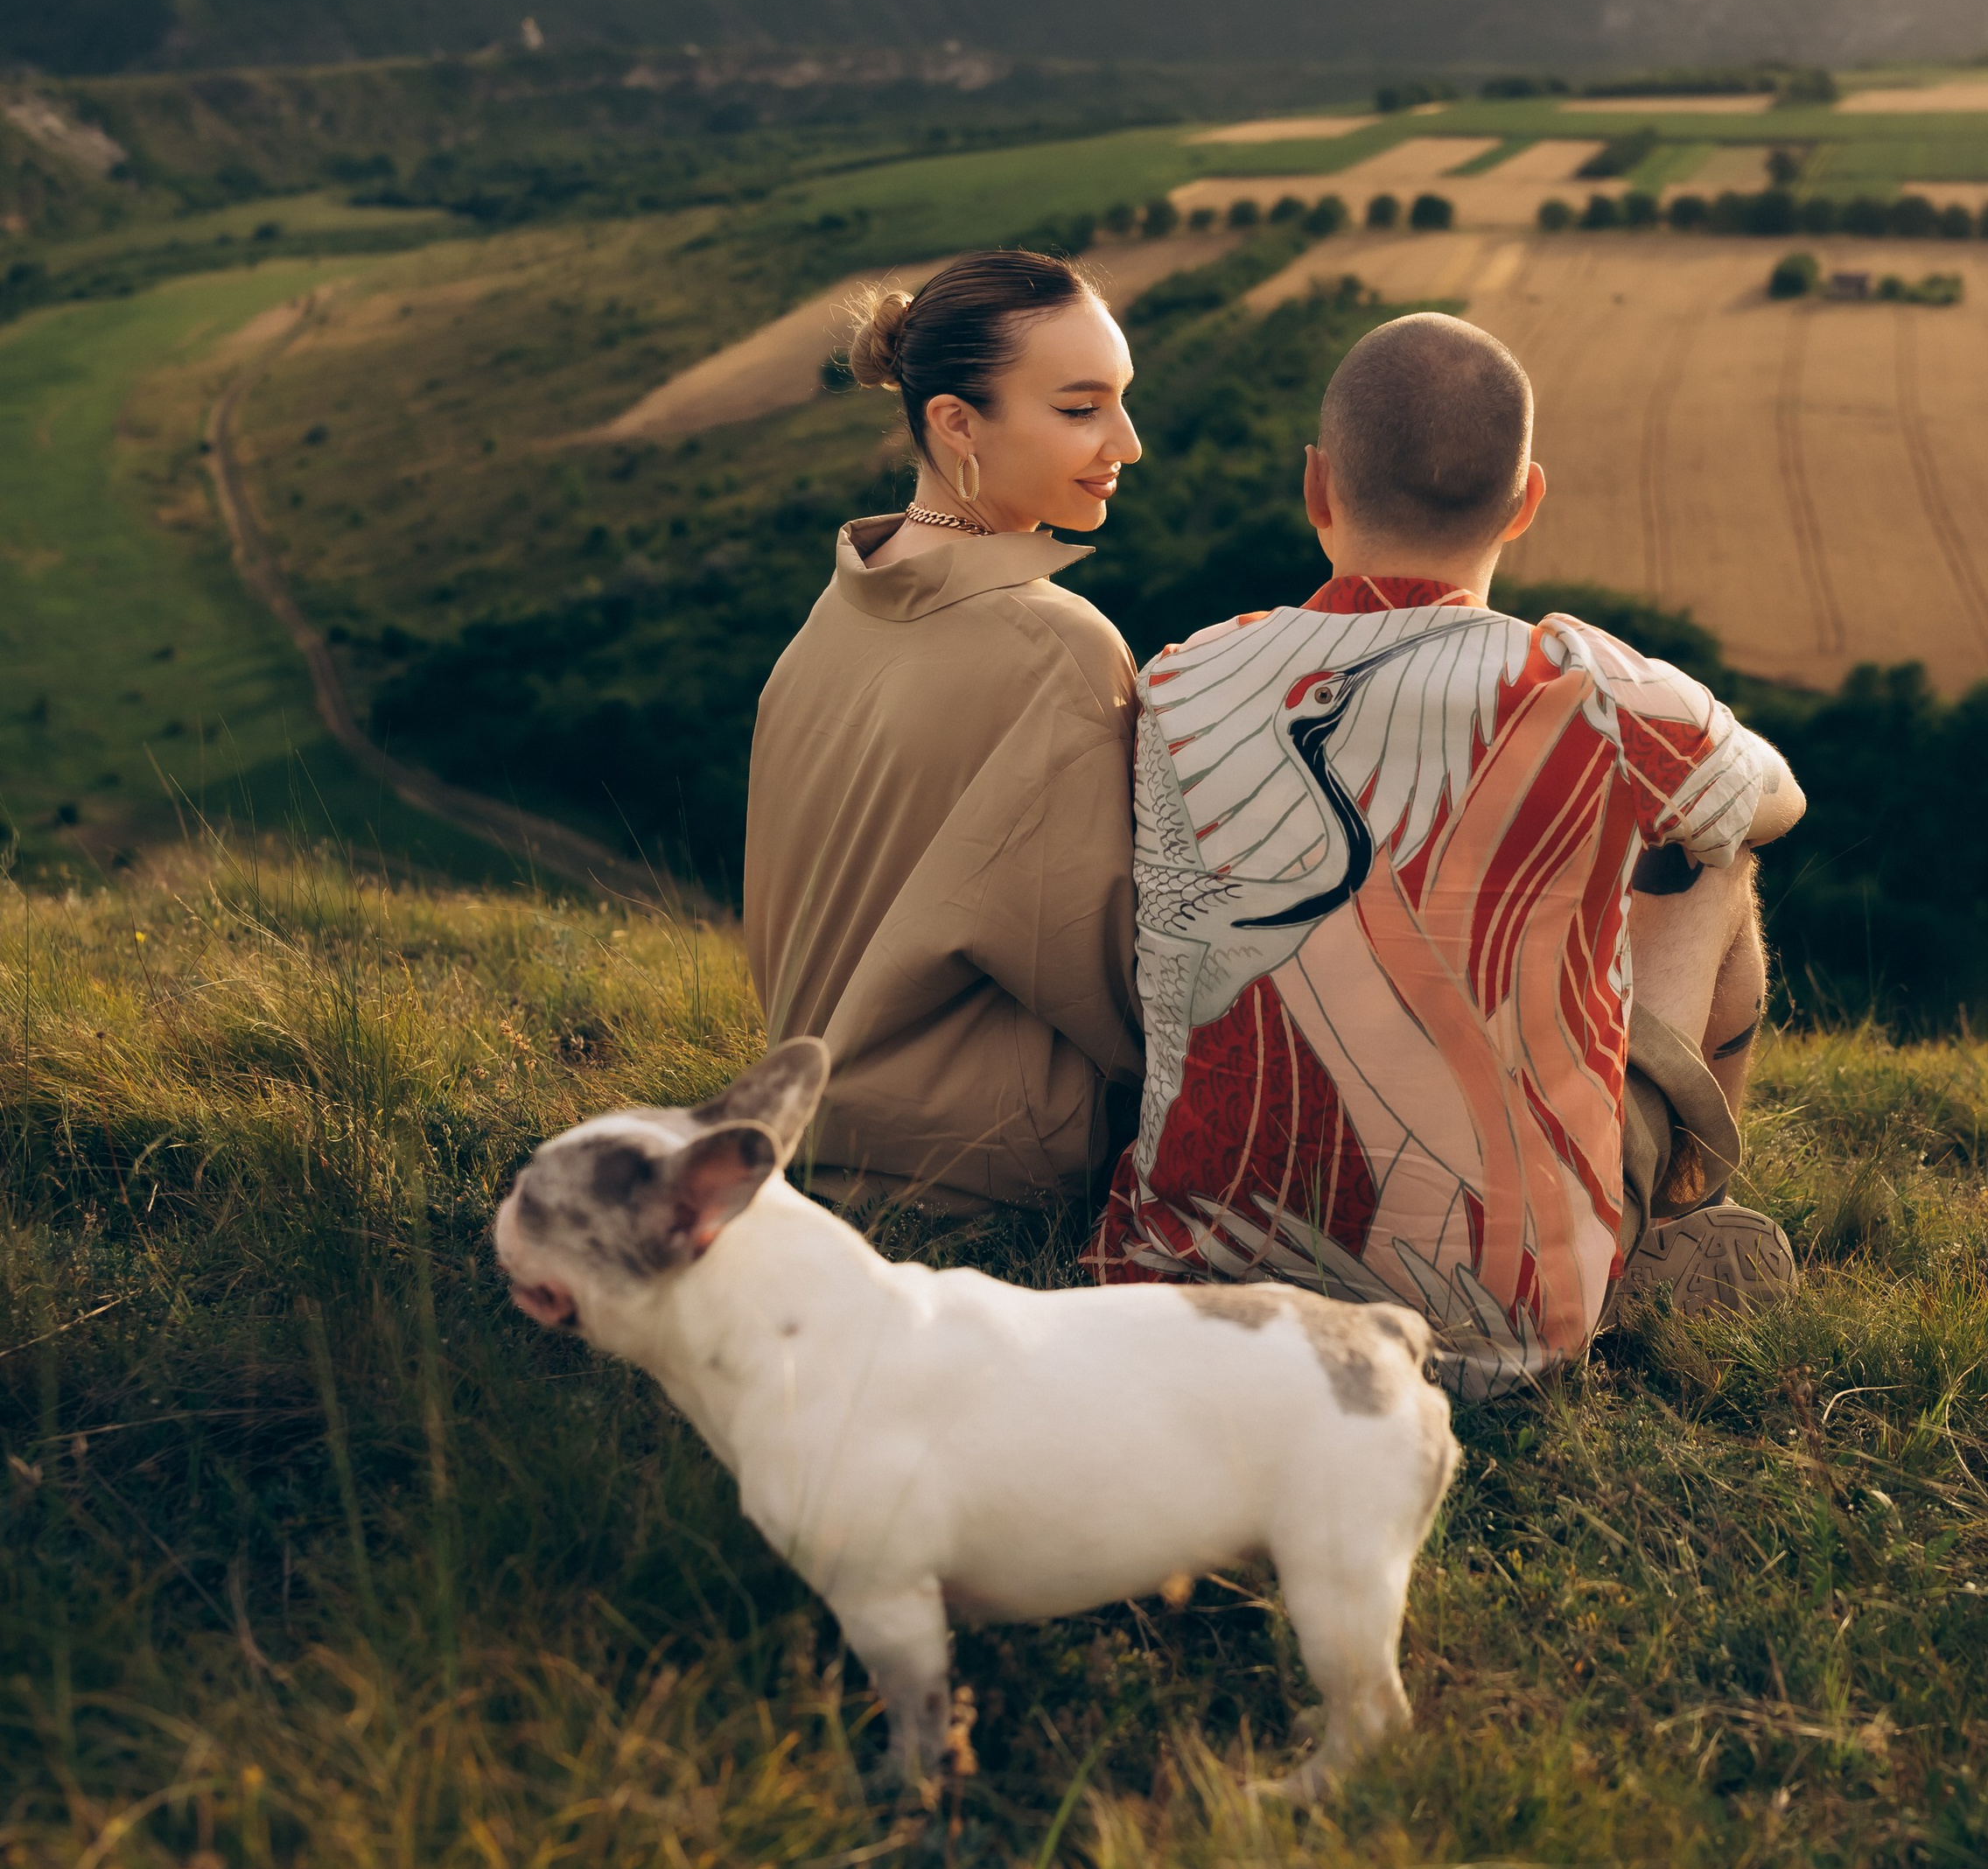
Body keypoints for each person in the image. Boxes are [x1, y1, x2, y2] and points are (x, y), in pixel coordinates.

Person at [1086, 311, 1806, 1393]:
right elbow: (1778, 803)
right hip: (1502, 1337)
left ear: (1317, 490)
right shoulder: (1596, 690)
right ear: (1526, 502)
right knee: (1712, 850)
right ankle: (1675, 1215)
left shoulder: (1186, 680)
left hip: (1174, 1304)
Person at [743, 248, 1146, 1218]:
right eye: (1080, 409)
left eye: (1122, 401)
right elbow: (1117, 989)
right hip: (977, 1173)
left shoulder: (831, 615)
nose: (1126, 444)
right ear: (955, 423)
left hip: (808, 1134)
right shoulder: (1059, 645)